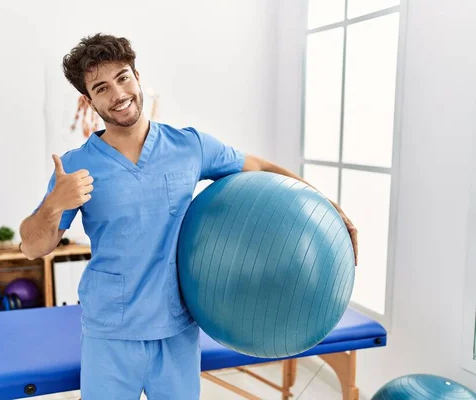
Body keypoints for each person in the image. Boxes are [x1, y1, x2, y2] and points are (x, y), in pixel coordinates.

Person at [19, 33, 358, 400]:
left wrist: (329, 207)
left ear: (136, 74)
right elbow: (33, 247)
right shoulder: (75, 166)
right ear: (88, 100)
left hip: (177, 328)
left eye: (122, 77)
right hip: (111, 332)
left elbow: (258, 166)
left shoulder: (189, 146)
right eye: (101, 88)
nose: (118, 94)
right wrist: (55, 203)